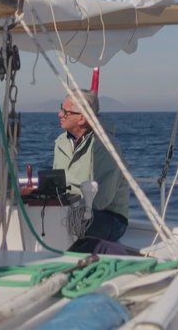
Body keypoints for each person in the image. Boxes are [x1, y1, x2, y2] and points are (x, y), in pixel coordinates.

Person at [53, 90, 130, 241]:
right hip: (69, 209)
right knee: (36, 216)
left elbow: (101, 200)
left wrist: (66, 208)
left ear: (81, 118)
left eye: (65, 111)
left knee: (63, 222)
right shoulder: (61, 142)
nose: (59, 114)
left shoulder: (106, 145)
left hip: (109, 218)